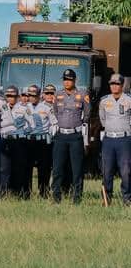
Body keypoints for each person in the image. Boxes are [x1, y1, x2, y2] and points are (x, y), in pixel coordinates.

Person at [51, 68, 89, 204]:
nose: (67, 82)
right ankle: (56, 198)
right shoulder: (58, 94)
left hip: (75, 136)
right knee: (57, 169)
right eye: (65, 80)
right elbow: (55, 112)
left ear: (75, 80)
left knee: (77, 169)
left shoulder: (82, 94)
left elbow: (87, 114)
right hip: (60, 135)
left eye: (70, 80)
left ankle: (77, 199)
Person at [98, 73, 131, 206]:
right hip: (109, 140)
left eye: (117, 84)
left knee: (126, 171)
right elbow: (103, 119)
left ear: (122, 85)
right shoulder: (104, 100)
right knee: (106, 170)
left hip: (125, 139)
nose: (114, 86)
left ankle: (127, 199)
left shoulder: (129, 99)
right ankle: (106, 199)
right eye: (112, 84)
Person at [24, 84, 55, 198]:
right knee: (27, 168)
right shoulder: (25, 107)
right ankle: (26, 193)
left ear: (39, 95)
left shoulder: (46, 108)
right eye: (30, 95)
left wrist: (49, 135)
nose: (32, 97)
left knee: (44, 169)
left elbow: (53, 124)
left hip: (42, 141)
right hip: (29, 141)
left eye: (34, 95)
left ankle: (43, 193)